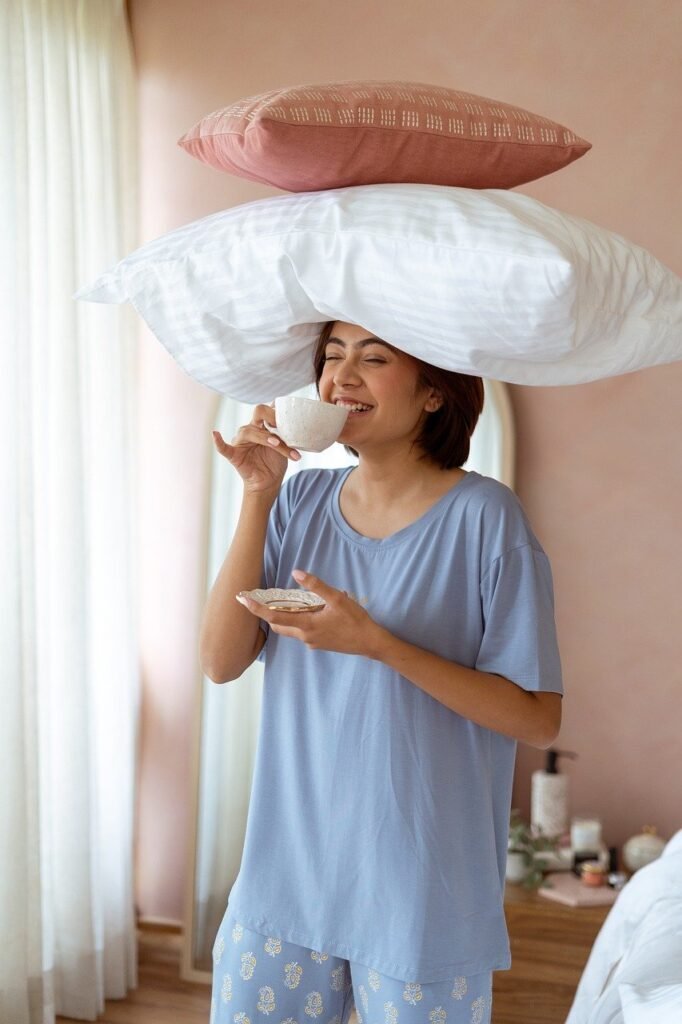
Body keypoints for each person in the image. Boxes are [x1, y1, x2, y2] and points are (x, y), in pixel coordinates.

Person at [200, 320, 564, 1024]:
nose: (342, 376)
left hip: (422, 895)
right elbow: (220, 661)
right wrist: (257, 495)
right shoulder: (297, 501)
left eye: (374, 357)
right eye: (331, 358)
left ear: (434, 391)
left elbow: (537, 716)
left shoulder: (488, 517)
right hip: (287, 878)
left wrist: (377, 643)